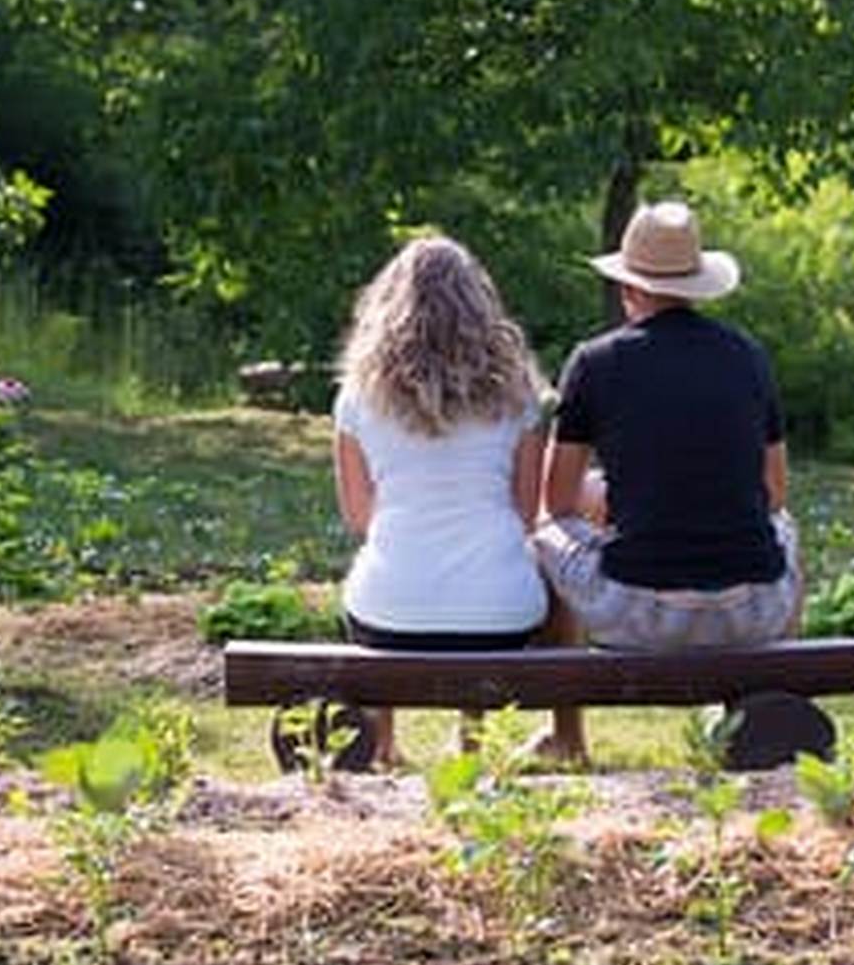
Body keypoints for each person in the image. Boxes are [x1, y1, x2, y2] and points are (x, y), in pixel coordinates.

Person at [534, 200, 802, 762]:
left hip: (639, 614)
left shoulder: (595, 362)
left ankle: (567, 736)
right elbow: (774, 494)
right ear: (697, 286)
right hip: (753, 613)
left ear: (628, 288)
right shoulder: (748, 358)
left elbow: (555, 502)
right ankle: (765, 709)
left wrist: (603, 496)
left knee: (545, 533)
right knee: (784, 528)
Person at [333, 233, 549, 765]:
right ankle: (471, 741)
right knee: (502, 564)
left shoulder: (357, 396)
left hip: (388, 617)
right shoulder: (518, 393)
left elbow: (360, 516)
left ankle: (384, 741)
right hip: (502, 620)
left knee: (379, 568)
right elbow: (526, 515)